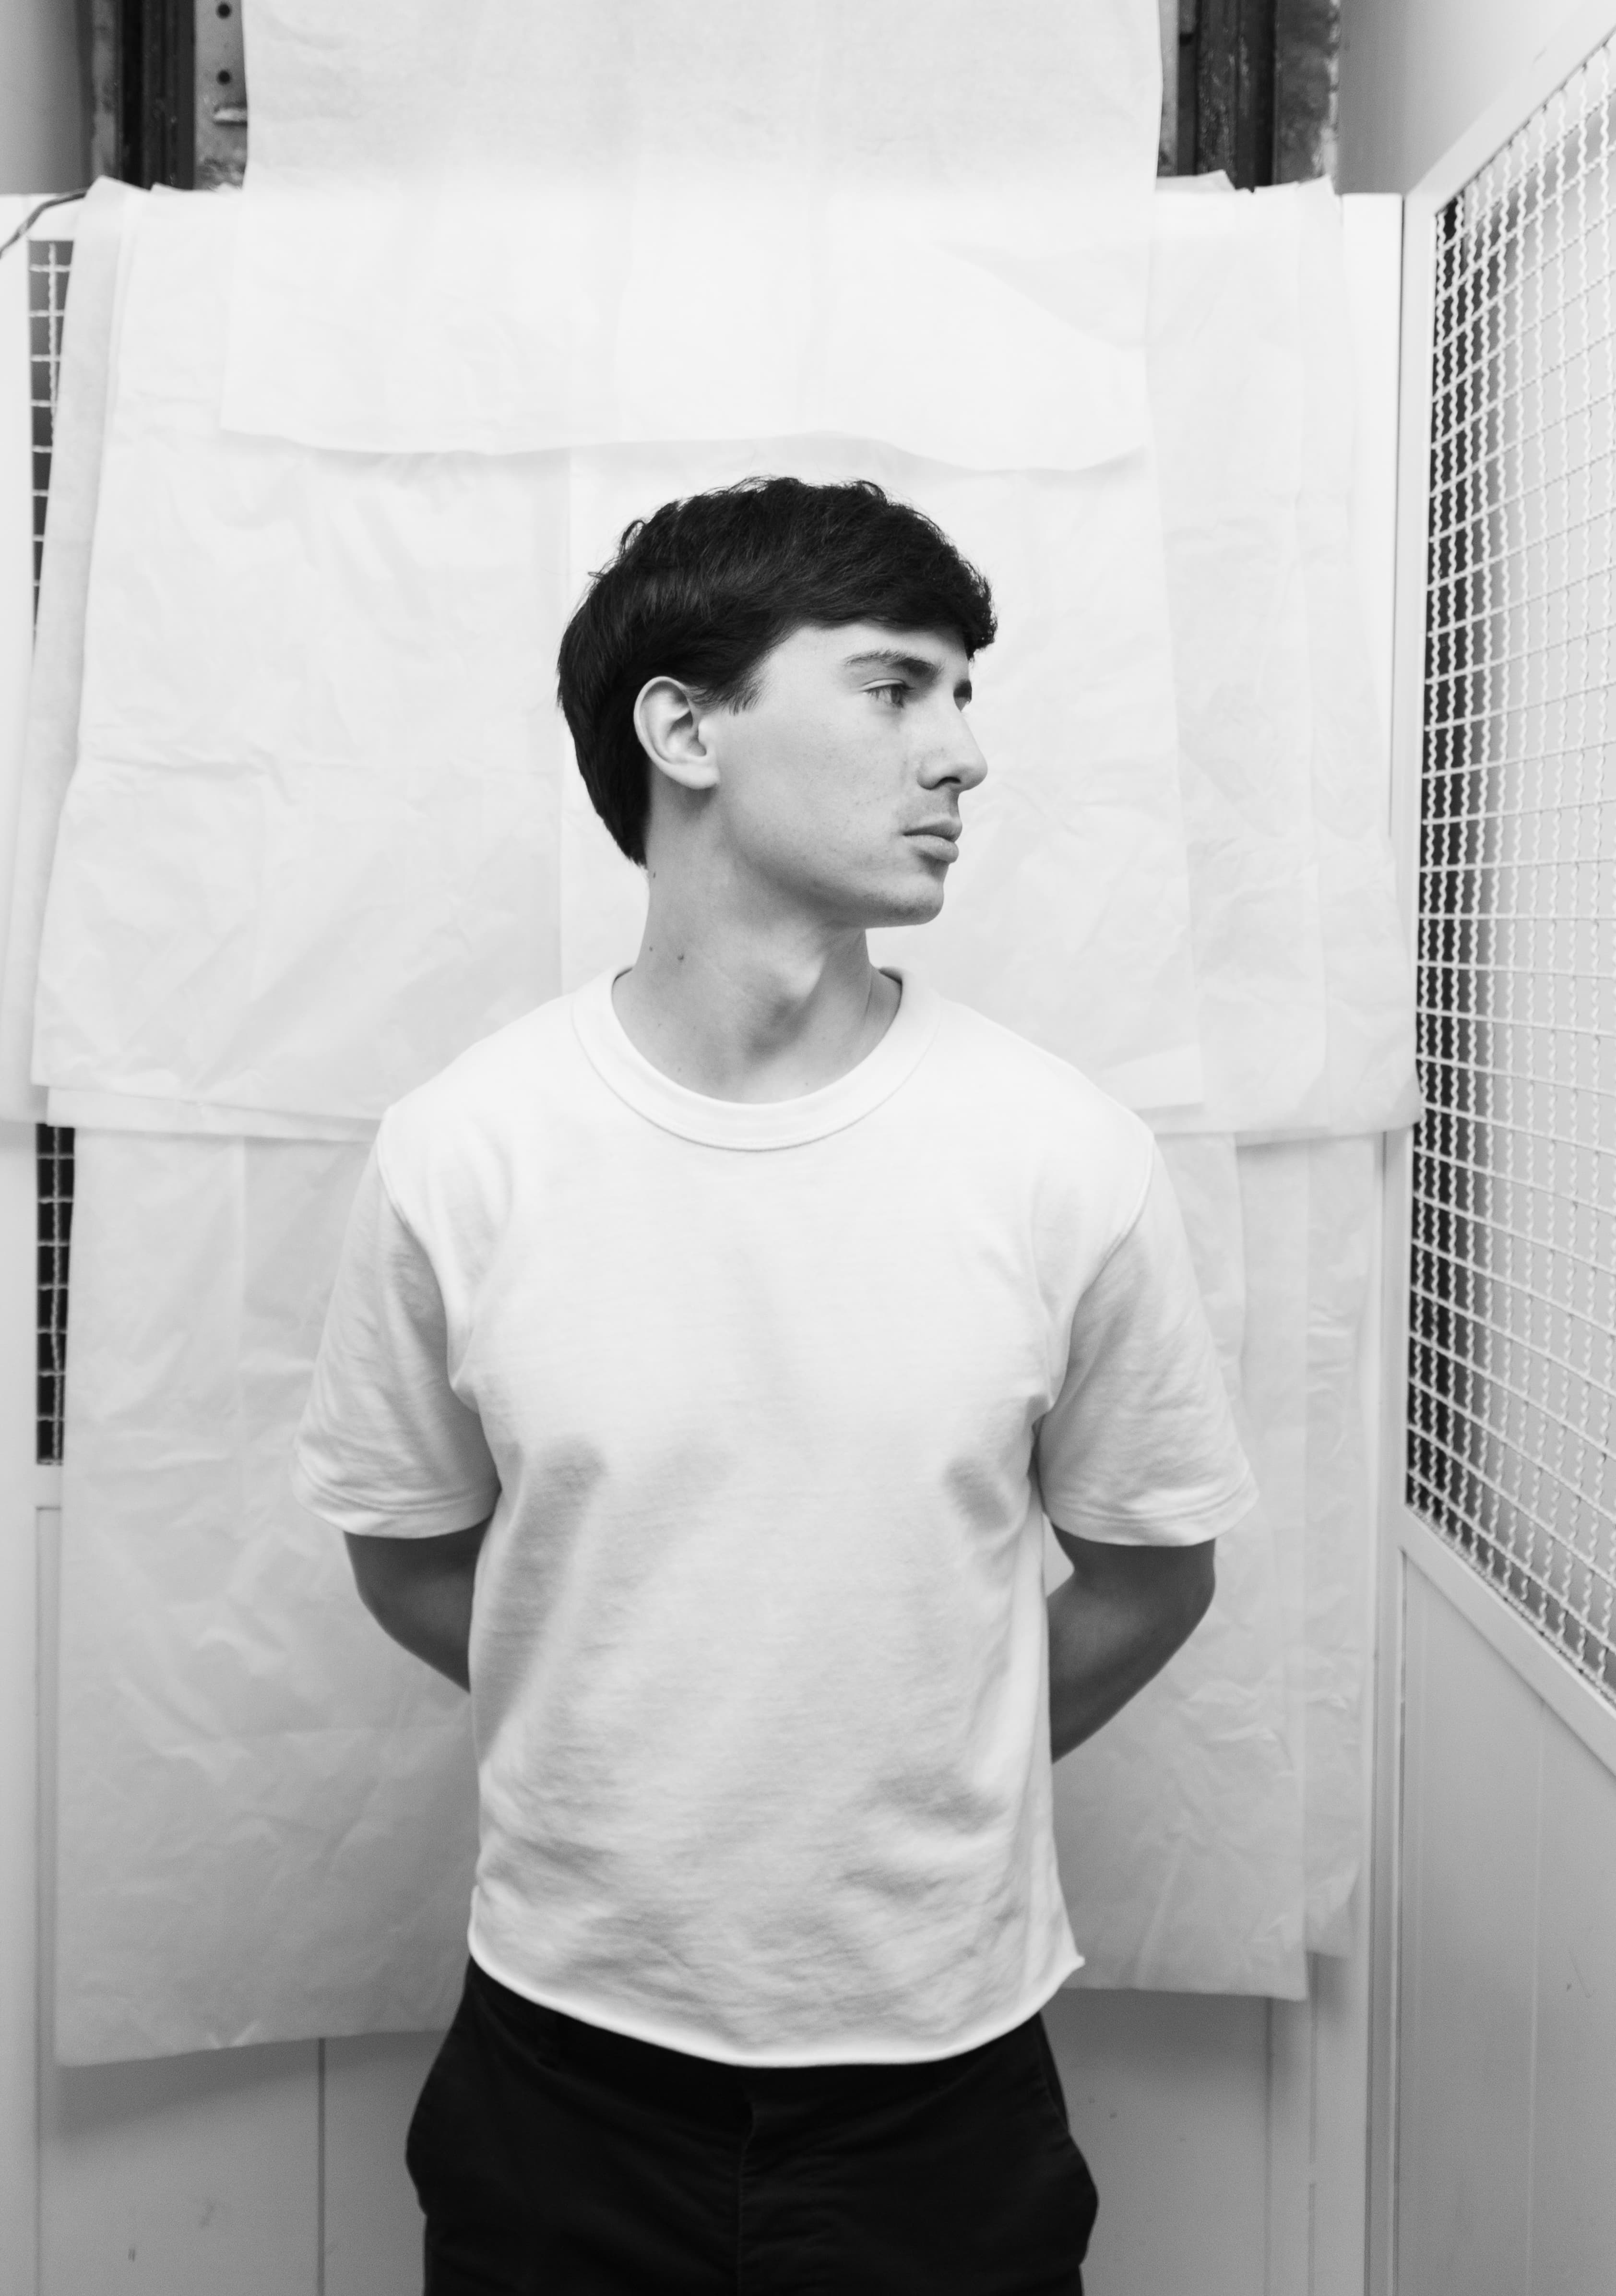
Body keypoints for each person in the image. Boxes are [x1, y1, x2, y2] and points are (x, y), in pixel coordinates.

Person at [293, 476, 1255, 2294]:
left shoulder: (1060, 1152)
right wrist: (649, 1748)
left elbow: (1154, 1570)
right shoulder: (467, 1150)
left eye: (968, 695)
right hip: (558, 2066)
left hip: (941, 2092)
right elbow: (410, 1552)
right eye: (899, 689)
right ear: (687, 727)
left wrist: (892, 1753)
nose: (963, 753)